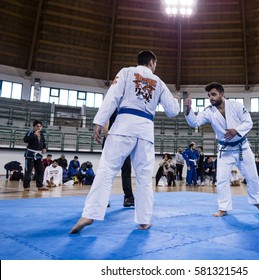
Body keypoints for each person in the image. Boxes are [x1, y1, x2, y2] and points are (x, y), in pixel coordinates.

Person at [70, 50, 180, 233]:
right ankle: (144, 220)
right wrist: (176, 100)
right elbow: (173, 111)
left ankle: (89, 214)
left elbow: (112, 97)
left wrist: (99, 121)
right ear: (152, 62)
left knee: (107, 170)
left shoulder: (126, 72)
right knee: (144, 178)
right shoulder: (158, 82)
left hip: (123, 126)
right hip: (145, 130)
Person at [184, 82, 259, 216]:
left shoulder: (236, 105)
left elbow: (248, 122)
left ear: (222, 94)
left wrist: (236, 131)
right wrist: (188, 109)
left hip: (242, 147)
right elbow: (195, 122)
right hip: (225, 150)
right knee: (221, 179)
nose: (211, 98)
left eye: (213, 94)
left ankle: (257, 202)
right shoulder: (209, 111)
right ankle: (223, 208)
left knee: (252, 177)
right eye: (209, 95)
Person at [103, 108, 134, 207]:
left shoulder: (128, 109)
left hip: (125, 142)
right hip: (111, 141)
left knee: (126, 169)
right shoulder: (112, 107)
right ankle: (103, 198)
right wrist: (108, 140)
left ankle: (128, 197)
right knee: (107, 171)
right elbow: (105, 124)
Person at [23, 120, 47, 191]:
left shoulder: (42, 134)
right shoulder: (30, 133)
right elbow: (25, 140)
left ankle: (40, 186)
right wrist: (34, 135)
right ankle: (26, 186)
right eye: (37, 126)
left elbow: (44, 143)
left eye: (40, 126)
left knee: (40, 170)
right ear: (34, 127)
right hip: (30, 155)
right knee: (28, 171)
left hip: (38, 155)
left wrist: (44, 148)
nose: (39, 128)